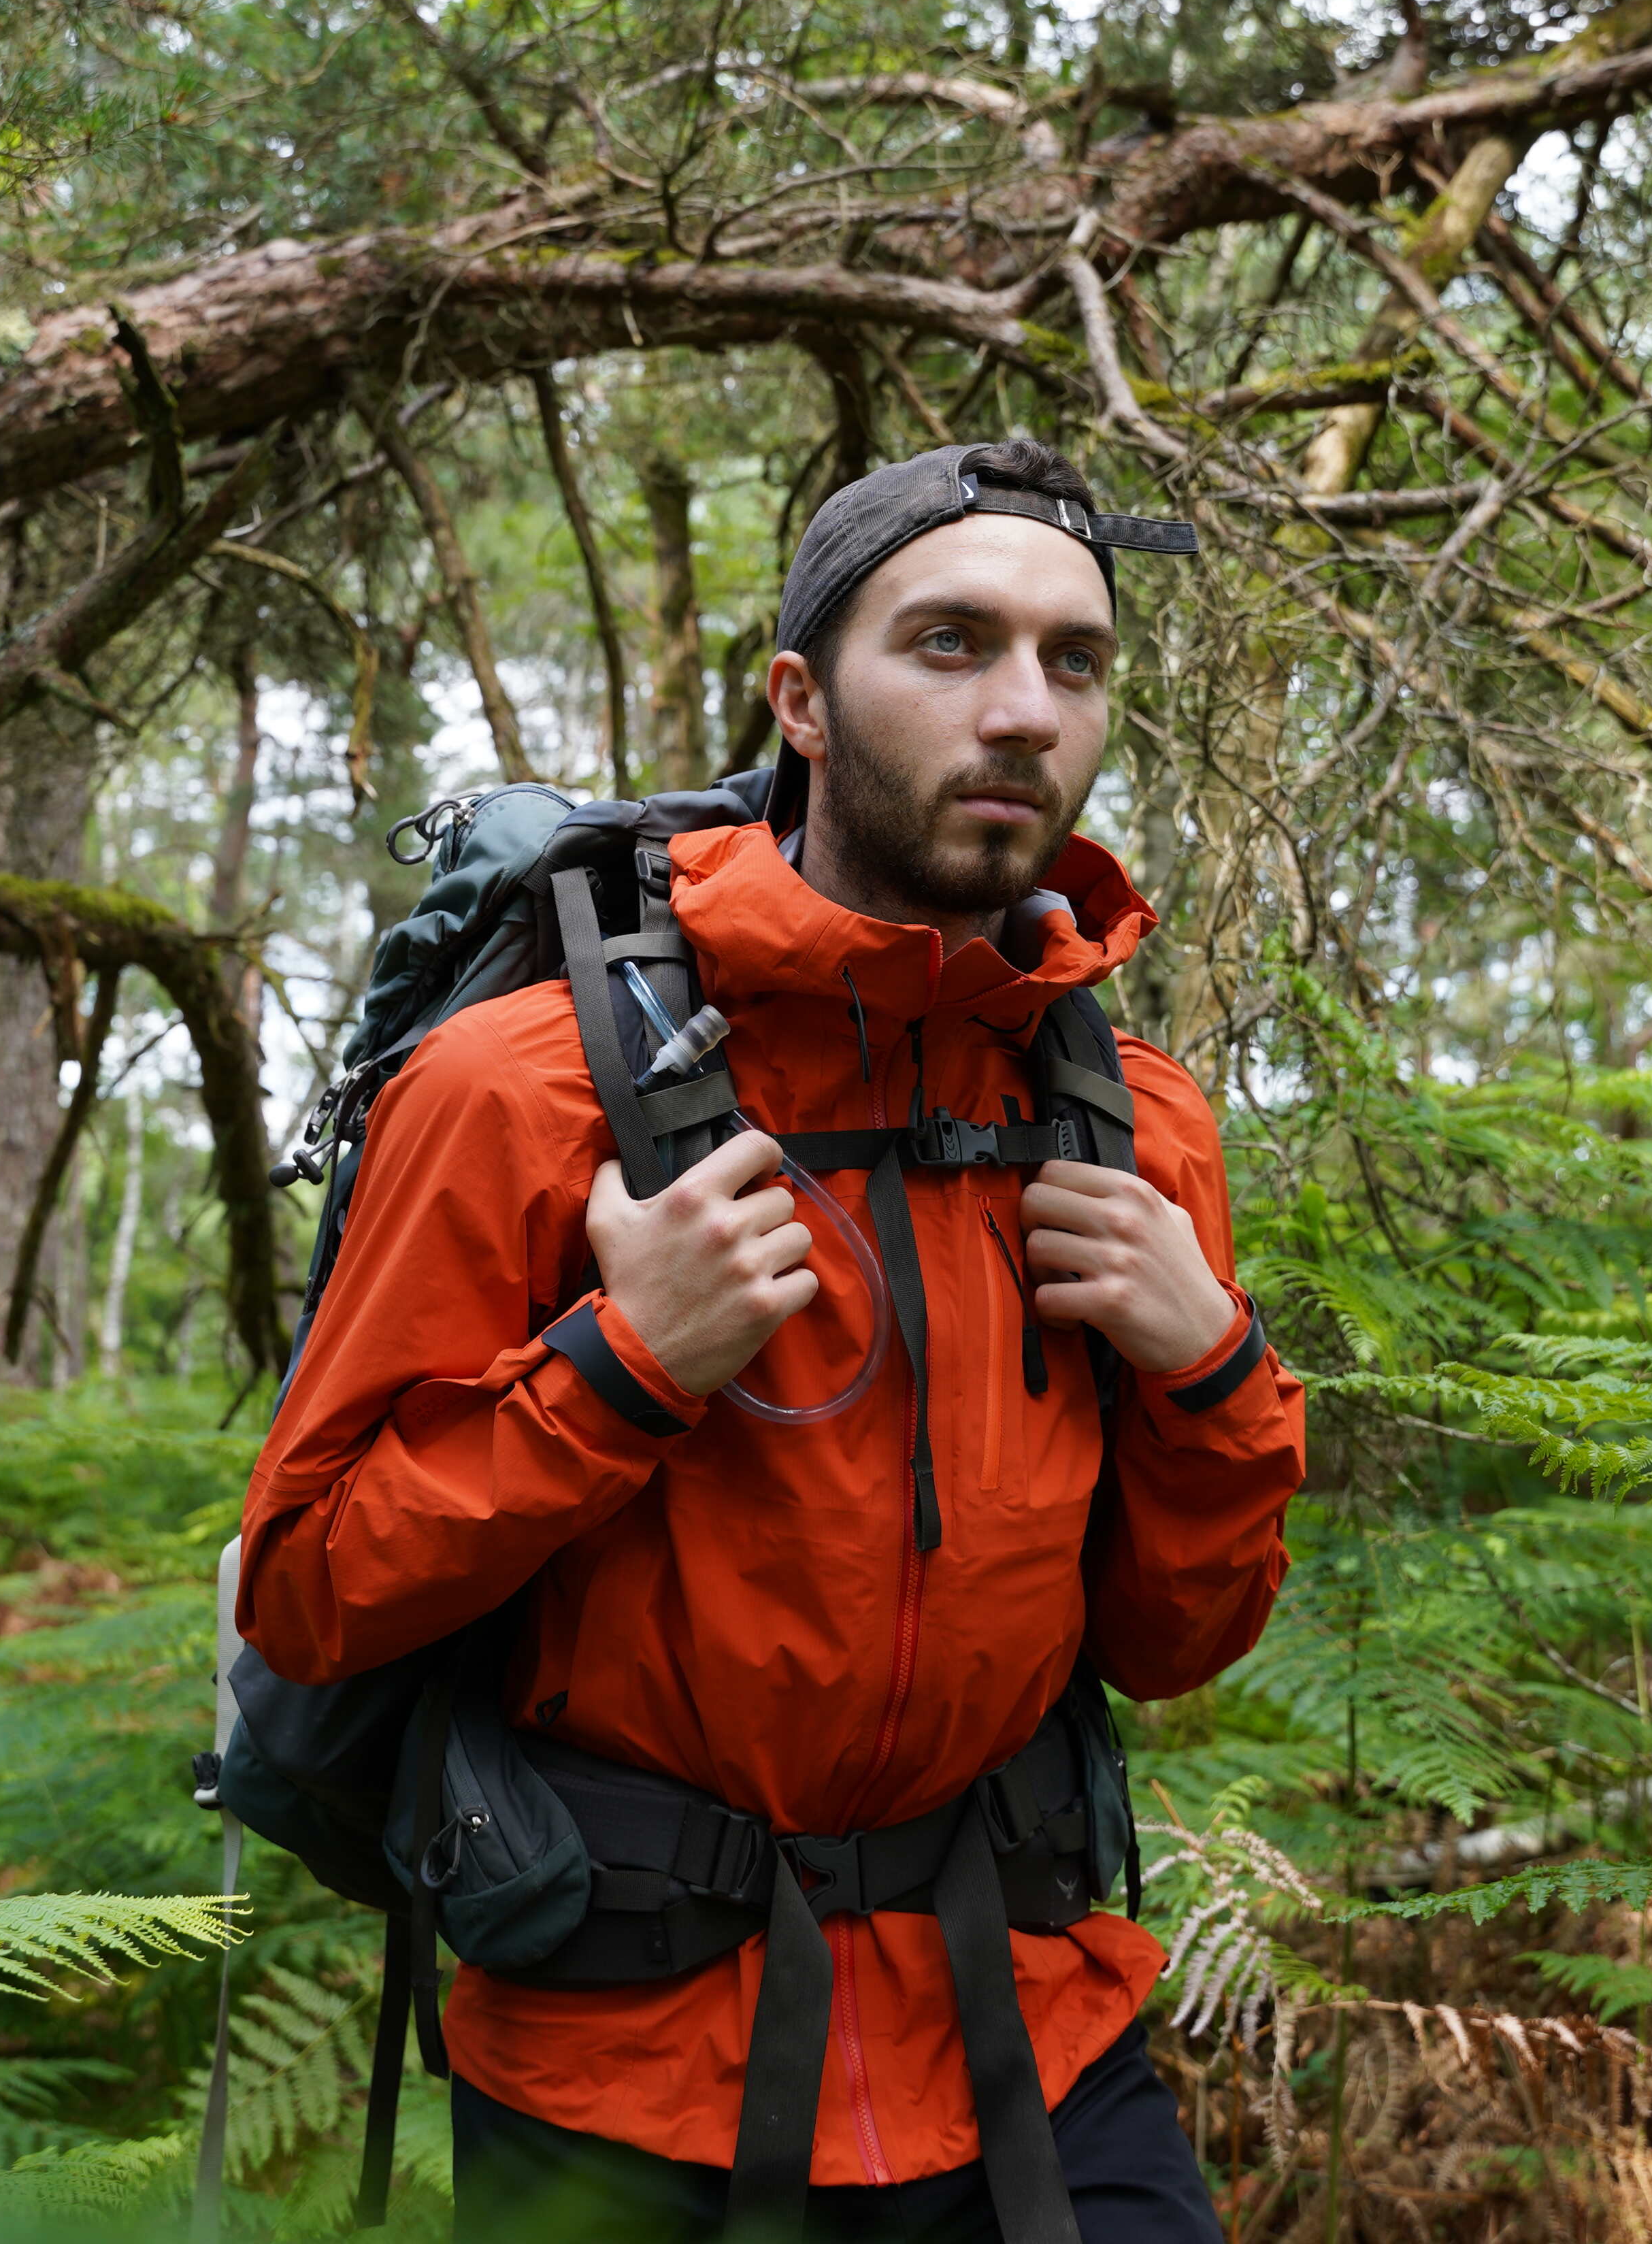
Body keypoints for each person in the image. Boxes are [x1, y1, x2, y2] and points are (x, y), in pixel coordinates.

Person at [238, 438, 1306, 2243]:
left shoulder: (1131, 1124)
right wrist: (622, 1367)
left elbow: (1174, 1641)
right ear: (802, 700)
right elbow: (312, 1585)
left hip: (1023, 2035)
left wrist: (1211, 1371)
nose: (1026, 710)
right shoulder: (522, 1090)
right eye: (952, 643)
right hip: (619, 2056)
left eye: (1076, 659)